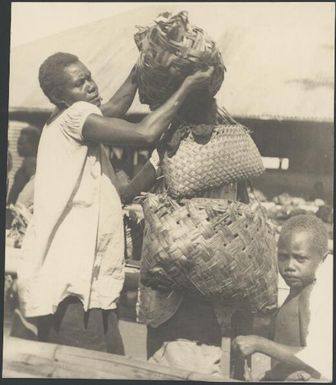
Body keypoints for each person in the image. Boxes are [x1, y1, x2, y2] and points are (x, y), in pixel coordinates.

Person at [16, 52, 214, 354]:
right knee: (86, 369)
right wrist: (186, 87)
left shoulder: (83, 134)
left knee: (110, 362)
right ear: (59, 96)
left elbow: (124, 184)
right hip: (72, 284)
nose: (91, 86)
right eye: (79, 84)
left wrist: (138, 70)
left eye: (89, 77)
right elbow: (144, 132)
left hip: (92, 284)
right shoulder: (72, 118)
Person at [232, 214, 332, 381]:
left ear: (322, 258)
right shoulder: (296, 292)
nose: (290, 266)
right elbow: (286, 333)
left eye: (300, 258)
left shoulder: (310, 298)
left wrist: (259, 343)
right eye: (283, 257)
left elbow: (314, 356)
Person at [7, 126, 41, 205]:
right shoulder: (30, 161)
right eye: (18, 143)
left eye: (21, 144)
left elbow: (33, 185)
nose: (17, 147)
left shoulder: (30, 162)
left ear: (33, 145)